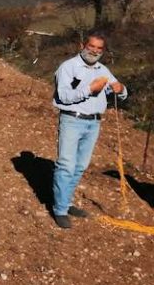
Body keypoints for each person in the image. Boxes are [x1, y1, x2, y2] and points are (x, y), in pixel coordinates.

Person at [52, 32, 127, 229]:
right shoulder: (68, 67)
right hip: (72, 120)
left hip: (93, 123)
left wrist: (121, 89)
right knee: (66, 165)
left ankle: (66, 203)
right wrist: (89, 89)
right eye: (91, 46)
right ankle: (59, 209)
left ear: (102, 51)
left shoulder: (103, 69)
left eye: (99, 48)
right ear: (83, 45)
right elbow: (63, 96)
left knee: (80, 167)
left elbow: (115, 90)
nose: (94, 50)